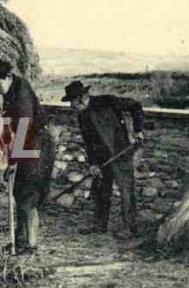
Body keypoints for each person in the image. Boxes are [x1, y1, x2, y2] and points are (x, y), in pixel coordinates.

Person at [0, 59, 55, 254]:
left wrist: (13, 162)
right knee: (18, 191)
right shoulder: (10, 91)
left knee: (28, 194)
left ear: (8, 76)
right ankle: (19, 240)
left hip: (39, 143)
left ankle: (31, 246)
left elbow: (24, 126)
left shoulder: (21, 91)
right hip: (28, 142)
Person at [62, 81, 145, 236]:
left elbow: (135, 105)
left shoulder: (107, 101)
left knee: (126, 191)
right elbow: (88, 141)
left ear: (81, 98)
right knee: (99, 190)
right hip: (101, 159)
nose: (71, 106)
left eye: (72, 101)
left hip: (121, 153)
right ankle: (100, 226)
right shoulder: (82, 116)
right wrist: (92, 163)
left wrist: (138, 130)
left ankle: (130, 228)